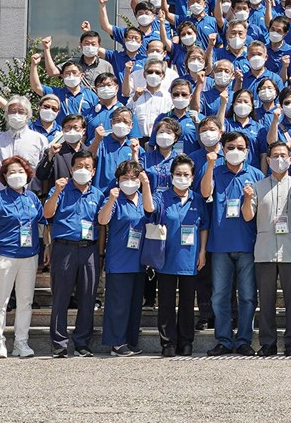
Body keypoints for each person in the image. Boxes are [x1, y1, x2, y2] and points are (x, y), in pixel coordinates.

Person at [201, 131, 263, 355]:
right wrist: (209, 165)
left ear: (247, 151)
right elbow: (205, 192)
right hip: (220, 246)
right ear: (222, 150)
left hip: (248, 245)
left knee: (247, 296)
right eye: (230, 148)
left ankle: (244, 339)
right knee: (220, 296)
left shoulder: (255, 174)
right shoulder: (215, 171)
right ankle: (224, 340)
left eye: (239, 147)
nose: (235, 152)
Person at [0, 156, 45, 359]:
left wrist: (48, 247)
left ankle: (21, 343)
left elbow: (43, 222)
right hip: (4, 254)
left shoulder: (32, 198)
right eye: (11, 172)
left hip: (29, 255)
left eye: (20, 171)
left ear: (27, 174)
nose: (16, 175)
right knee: (0, 300)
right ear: (4, 177)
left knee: (25, 300)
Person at [43, 150, 103, 358]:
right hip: (64, 248)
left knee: (88, 296)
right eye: (78, 166)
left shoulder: (98, 194)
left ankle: (82, 342)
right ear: (71, 169)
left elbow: (102, 224)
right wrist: (57, 192)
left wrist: (101, 252)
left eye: (87, 167)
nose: (82, 170)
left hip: (89, 249)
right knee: (60, 296)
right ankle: (59, 343)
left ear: (93, 171)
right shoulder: (60, 189)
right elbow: (47, 214)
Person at [252, 142, 291, 356]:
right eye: (275, 155)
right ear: (268, 159)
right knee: (266, 299)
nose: (279, 159)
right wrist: (247, 198)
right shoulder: (258, 186)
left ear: (290, 159)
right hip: (264, 249)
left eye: (283, 155)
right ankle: (268, 342)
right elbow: (248, 215)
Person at [98, 159, 154, 356]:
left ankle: (130, 340)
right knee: (118, 304)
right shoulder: (114, 198)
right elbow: (102, 220)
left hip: (139, 260)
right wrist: (112, 199)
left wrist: (146, 185)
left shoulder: (142, 197)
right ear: (118, 180)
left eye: (133, 178)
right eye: (125, 178)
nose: (129, 181)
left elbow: (150, 211)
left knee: (134, 304)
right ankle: (116, 342)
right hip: (119, 260)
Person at [154, 154, 207, 357]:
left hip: (191, 257)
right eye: (178, 174)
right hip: (166, 257)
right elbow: (151, 211)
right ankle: (167, 342)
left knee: (187, 302)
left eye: (186, 174)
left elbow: (204, 227)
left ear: (193, 177)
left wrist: (202, 251)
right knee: (166, 302)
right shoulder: (163, 197)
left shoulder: (198, 200)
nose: (182, 177)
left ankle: (186, 342)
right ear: (171, 175)